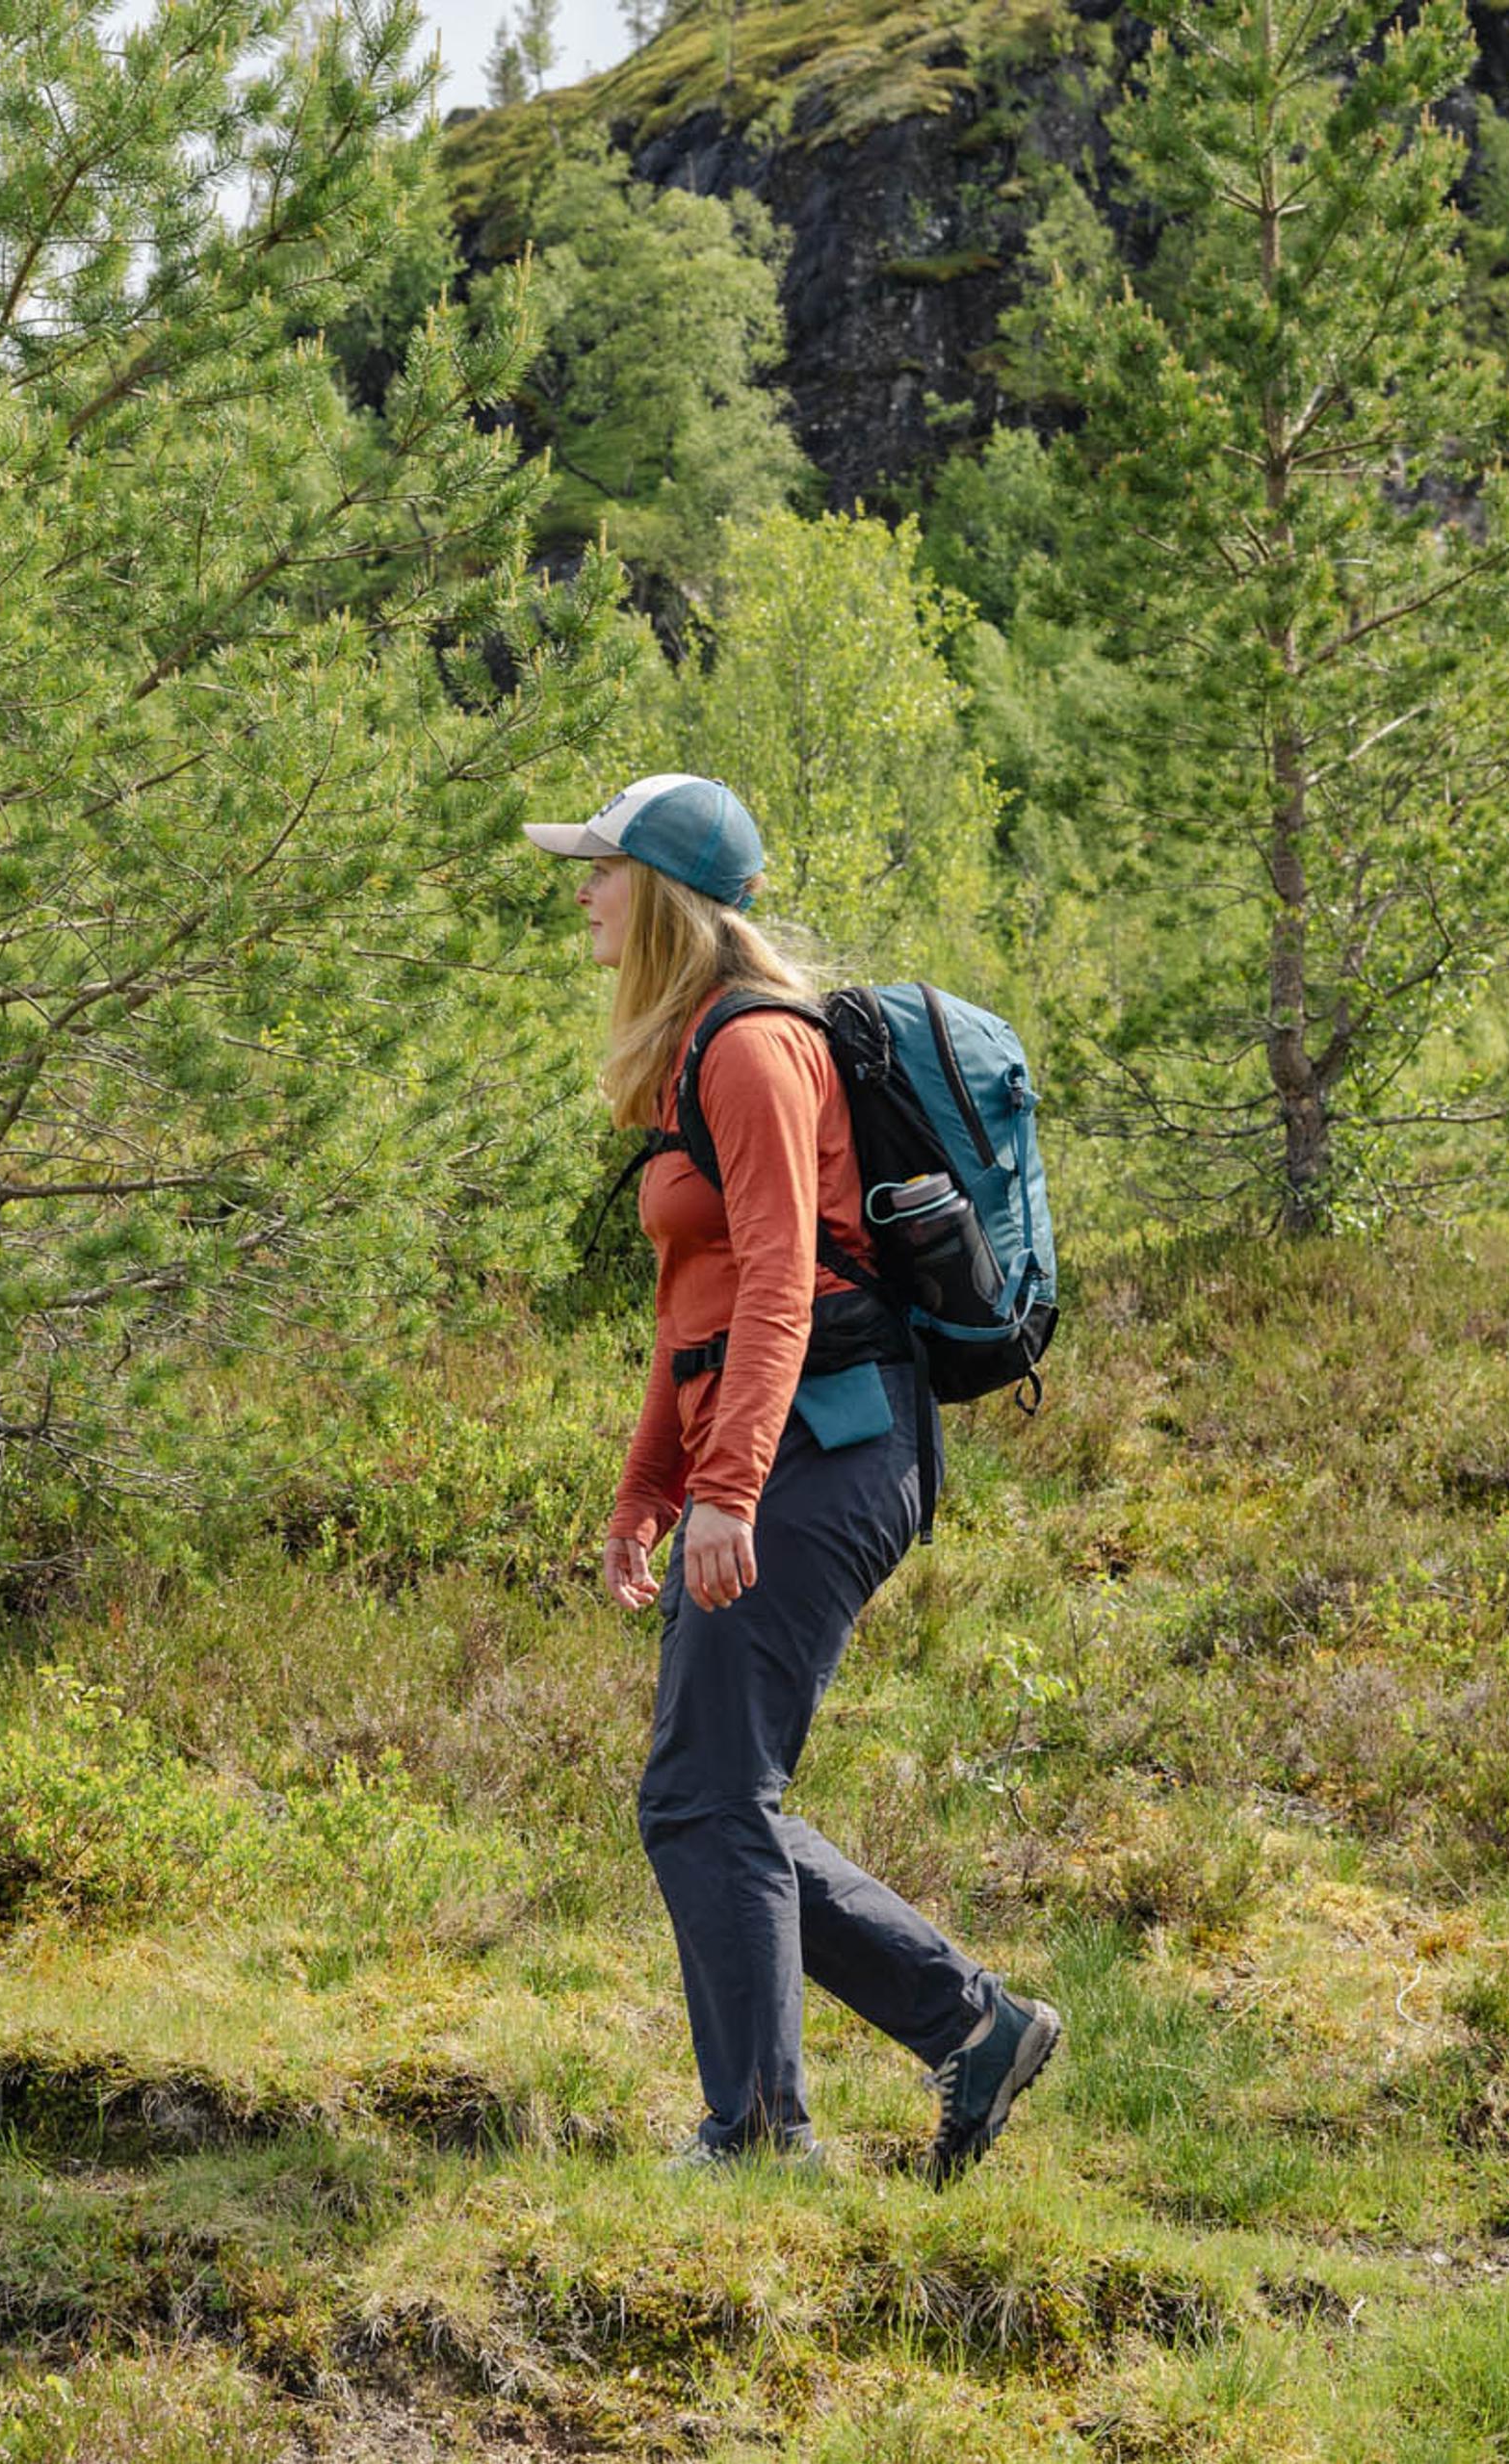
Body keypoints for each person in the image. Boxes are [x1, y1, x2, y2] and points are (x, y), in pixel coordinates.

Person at [527, 772, 1061, 2183]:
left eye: (600, 869)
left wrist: (730, 1490)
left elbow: (778, 1284)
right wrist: (653, 1483)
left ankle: (759, 2136)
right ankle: (968, 2028)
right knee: (712, 1794)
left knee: (705, 1796)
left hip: (827, 1448)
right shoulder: (691, 1051)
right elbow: (691, 1298)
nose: (579, 891)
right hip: (785, 1448)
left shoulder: (754, 1049)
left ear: (665, 894)